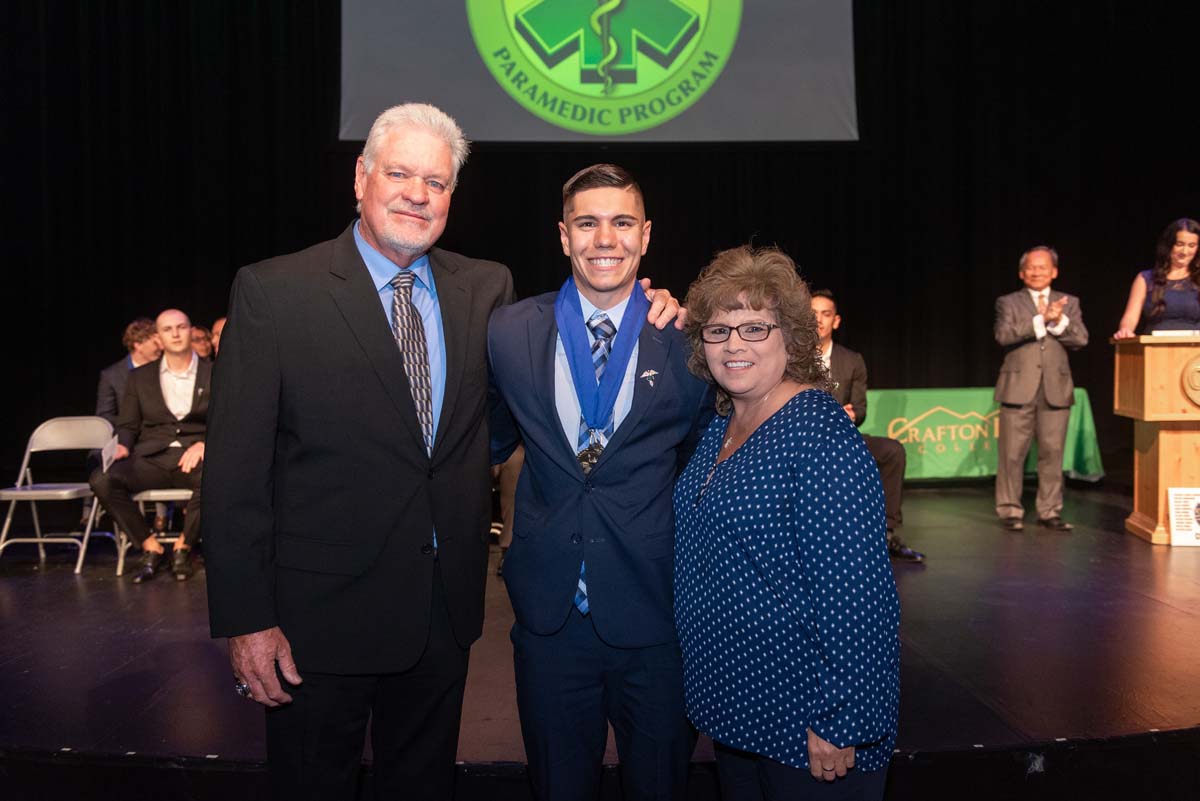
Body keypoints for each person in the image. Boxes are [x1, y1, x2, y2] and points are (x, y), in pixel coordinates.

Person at [203, 108, 679, 801]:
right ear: (360, 177)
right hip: (316, 625)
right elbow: (235, 474)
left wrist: (652, 304)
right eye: (400, 174)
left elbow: (505, 418)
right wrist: (247, 618)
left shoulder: (485, 292)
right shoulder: (273, 293)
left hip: (440, 618)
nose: (417, 194)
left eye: (436, 181)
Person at [488, 163, 712, 801]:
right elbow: (490, 439)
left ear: (646, 235)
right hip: (550, 619)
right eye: (587, 223)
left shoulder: (690, 340)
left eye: (622, 223)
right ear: (564, 236)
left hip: (657, 615)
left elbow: (704, 458)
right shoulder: (509, 331)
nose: (605, 239)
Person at [675, 245, 899, 800]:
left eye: (754, 327)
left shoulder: (820, 436)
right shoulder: (722, 425)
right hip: (741, 713)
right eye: (718, 330)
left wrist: (842, 718)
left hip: (811, 726)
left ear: (792, 337)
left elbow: (857, 593)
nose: (734, 344)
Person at [90, 309, 209, 582]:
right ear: (158, 337)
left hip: (194, 455)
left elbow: (228, 419)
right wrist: (122, 445)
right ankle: (149, 545)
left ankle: (183, 546)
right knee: (102, 479)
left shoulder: (214, 372)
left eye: (181, 327)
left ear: (191, 330)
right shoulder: (140, 377)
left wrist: (206, 444)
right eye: (168, 329)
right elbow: (128, 424)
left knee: (218, 478)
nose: (176, 334)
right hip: (152, 456)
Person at [812, 289, 923, 563]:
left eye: (825, 314)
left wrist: (851, 414)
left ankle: (886, 533)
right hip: (804, 439)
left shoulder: (851, 360)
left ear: (836, 321)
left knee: (892, 451)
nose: (819, 320)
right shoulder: (790, 357)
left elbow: (860, 409)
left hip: (841, 438)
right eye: (813, 314)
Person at [994, 246, 1088, 531]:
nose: (1037, 272)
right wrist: (1040, 320)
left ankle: (1049, 511)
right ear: (1022, 273)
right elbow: (1004, 335)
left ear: (1054, 272)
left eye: (1043, 267)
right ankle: (1010, 510)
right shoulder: (1008, 302)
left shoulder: (1069, 302)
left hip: (1055, 387)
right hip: (1018, 387)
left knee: (1052, 453)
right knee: (1011, 454)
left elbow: (1081, 339)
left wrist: (1058, 320)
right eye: (1031, 268)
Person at [1113, 218, 1200, 337]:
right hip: (1154, 347)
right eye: (1179, 244)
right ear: (1169, 245)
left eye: (1192, 246)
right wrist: (1125, 330)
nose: (1185, 251)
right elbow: (1130, 316)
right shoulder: (1145, 279)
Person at [96, 318, 162, 425]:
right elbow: (105, 416)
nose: (161, 347)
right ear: (138, 345)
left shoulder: (166, 368)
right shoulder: (111, 376)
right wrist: (133, 424)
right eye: (155, 343)